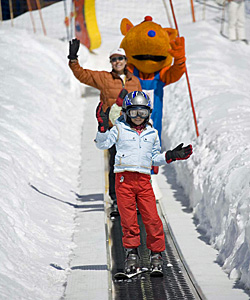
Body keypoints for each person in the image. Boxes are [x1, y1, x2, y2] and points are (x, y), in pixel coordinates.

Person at [95, 91, 193, 274]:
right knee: (129, 220)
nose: (138, 118)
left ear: (148, 113)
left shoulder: (152, 133)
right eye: (134, 113)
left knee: (152, 219)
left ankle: (156, 254)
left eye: (142, 113)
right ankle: (132, 253)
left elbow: (154, 157)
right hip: (123, 180)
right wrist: (102, 127)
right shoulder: (118, 129)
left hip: (144, 181)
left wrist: (171, 156)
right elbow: (102, 145)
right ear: (126, 112)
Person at [67, 39, 142, 208]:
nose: (117, 62)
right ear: (111, 62)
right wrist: (73, 59)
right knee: (116, 162)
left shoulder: (135, 81)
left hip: (132, 129)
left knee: (133, 163)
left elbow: (141, 102)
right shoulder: (104, 78)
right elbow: (82, 74)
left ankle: (134, 197)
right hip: (113, 127)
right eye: (114, 59)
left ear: (125, 61)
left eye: (120, 59)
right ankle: (116, 198)